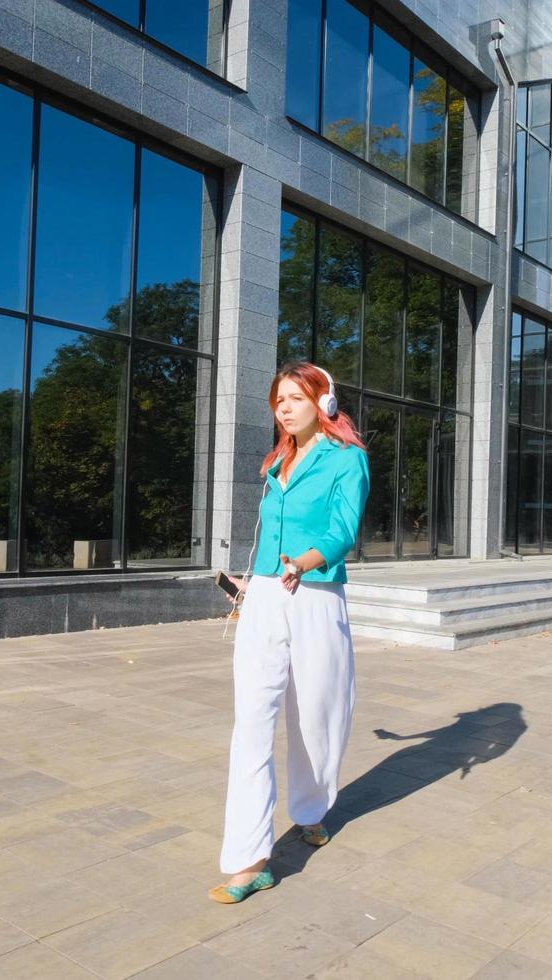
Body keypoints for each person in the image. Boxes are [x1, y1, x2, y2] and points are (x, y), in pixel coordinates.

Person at [211, 362, 370, 904]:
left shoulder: (347, 460)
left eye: (295, 398)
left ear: (323, 403)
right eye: (278, 399)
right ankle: (249, 860)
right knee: (251, 723)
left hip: (315, 596)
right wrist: (249, 585)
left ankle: (310, 811)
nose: (283, 407)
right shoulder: (276, 462)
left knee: (316, 719)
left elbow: (343, 529)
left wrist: (303, 562)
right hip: (264, 596)